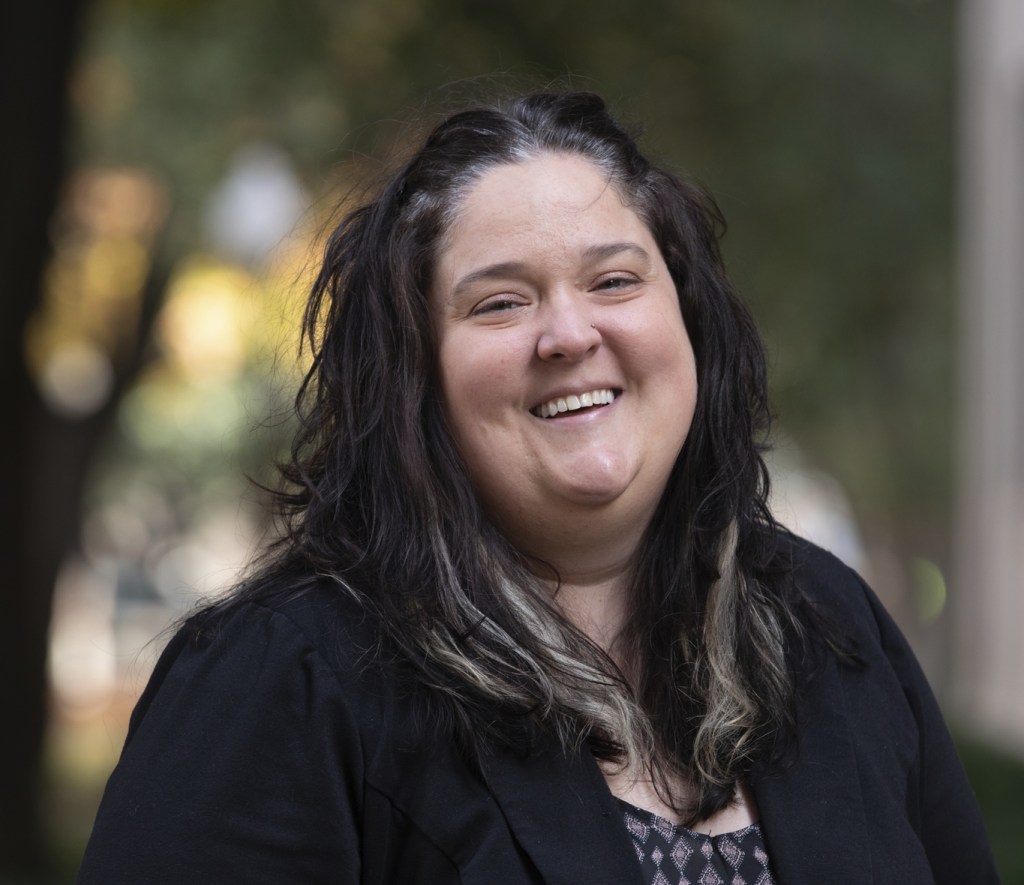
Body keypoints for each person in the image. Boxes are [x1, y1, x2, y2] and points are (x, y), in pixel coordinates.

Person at [76, 91, 997, 884]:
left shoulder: (831, 634)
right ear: (414, 376)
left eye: (613, 280)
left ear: (688, 321)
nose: (568, 333)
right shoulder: (281, 682)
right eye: (500, 302)